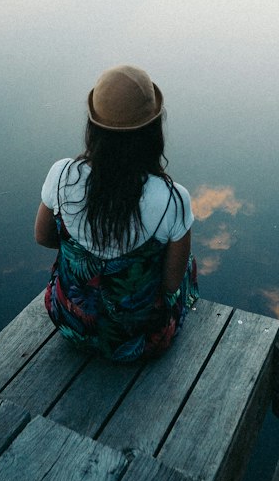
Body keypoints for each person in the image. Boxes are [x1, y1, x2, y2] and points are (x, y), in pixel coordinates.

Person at [35, 64, 198, 362]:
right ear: (152, 132)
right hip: (139, 342)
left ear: (93, 127)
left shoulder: (61, 175)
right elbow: (171, 284)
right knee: (187, 263)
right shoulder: (173, 199)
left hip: (71, 325)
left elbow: (43, 237)